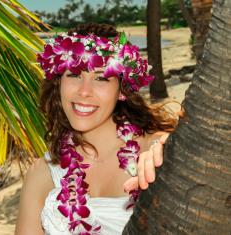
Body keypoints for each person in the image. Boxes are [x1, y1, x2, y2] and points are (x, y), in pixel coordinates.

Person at [15, 23, 177, 235]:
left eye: (100, 78)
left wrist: (171, 148)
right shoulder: (41, 174)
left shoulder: (154, 152)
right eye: (74, 74)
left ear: (121, 90)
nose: (84, 92)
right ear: (59, 83)